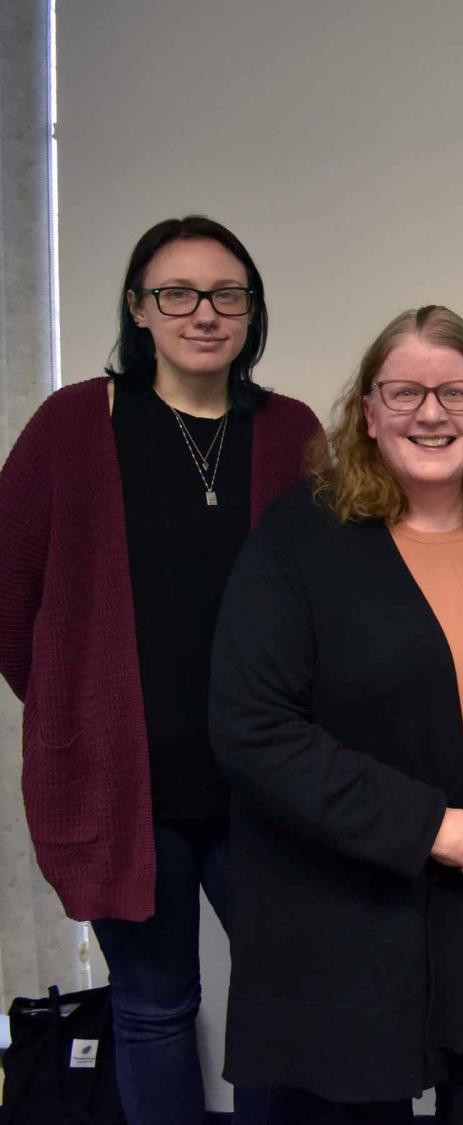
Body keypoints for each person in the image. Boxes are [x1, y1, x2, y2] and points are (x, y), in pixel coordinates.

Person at [208, 306, 463, 1124]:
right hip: (341, 914)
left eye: (456, 392)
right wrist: (430, 827)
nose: (431, 413)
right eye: (405, 392)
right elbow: (254, 726)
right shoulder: (300, 535)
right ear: (369, 413)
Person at [0, 215, 321, 1125]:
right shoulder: (74, 425)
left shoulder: (291, 430)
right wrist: (69, 697)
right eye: (176, 294)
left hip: (266, 779)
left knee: (281, 997)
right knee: (153, 1006)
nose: (203, 313)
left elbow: (334, 597)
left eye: (226, 294)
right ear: (139, 309)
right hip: (121, 779)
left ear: (250, 310)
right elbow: (6, 589)